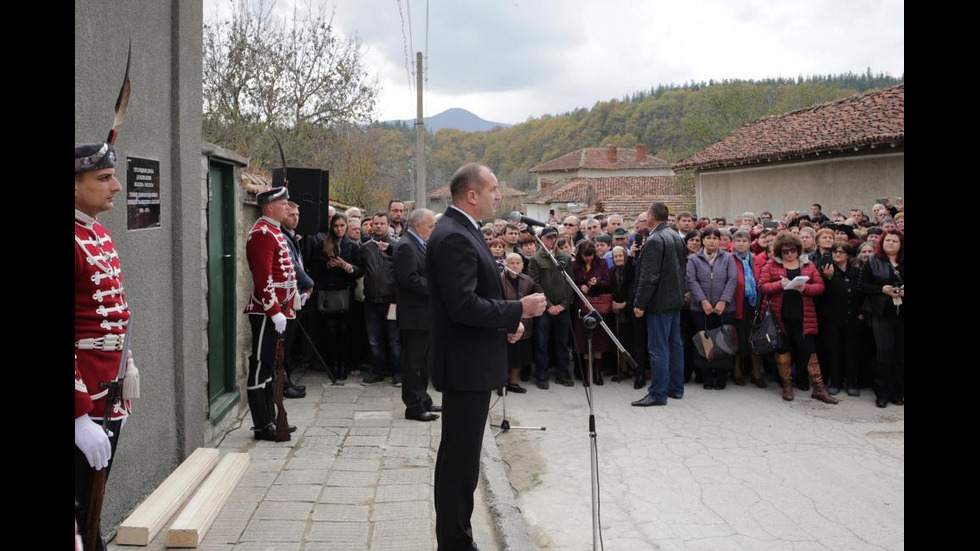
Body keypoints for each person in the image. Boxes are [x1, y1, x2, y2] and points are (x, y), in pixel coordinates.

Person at [428, 163, 545, 551]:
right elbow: (462, 305)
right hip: (465, 366)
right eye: (494, 189)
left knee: (458, 459)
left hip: (471, 360)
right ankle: (455, 543)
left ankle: (455, 538)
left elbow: (477, 295)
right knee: (459, 466)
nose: (500, 196)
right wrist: (518, 310)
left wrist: (502, 324)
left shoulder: (464, 230)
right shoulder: (453, 236)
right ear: (472, 195)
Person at [75, 141, 136, 551]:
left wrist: (126, 367)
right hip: (83, 399)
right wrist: (77, 415)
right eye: (103, 178)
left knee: (91, 507)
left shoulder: (97, 234)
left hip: (107, 392)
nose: (115, 186)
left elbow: (115, 314)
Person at [244, 186, 300, 438]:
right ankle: (261, 423)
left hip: (280, 309)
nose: (287, 207)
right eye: (283, 203)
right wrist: (274, 310)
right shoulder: (262, 233)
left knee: (269, 364)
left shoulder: (275, 231)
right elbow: (263, 277)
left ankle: (270, 419)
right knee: (260, 363)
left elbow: (285, 273)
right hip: (268, 311)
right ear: (269, 207)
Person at [759, 232, 837, 404]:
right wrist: (779, 284)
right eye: (785, 251)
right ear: (779, 251)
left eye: (793, 250)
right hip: (780, 317)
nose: (790, 254)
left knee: (810, 353)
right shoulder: (771, 265)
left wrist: (804, 289)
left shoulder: (808, 265)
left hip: (804, 317)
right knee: (783, 352)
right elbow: (762, 286)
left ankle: (819, 388)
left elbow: (820, 287)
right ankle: (787, 386)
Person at [631, 202, 688, 406]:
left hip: (660, 302)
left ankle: (658, 393)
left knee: (658, 348)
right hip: (674, 300)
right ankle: (675, 388)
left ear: (652, 217)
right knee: (674, 345)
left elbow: (649, 277)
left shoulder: (655, 239)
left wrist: (640, 303)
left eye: (647, 214)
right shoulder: (675, 235)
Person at [393, 208, 440, 421]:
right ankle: (413, 406)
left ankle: (424, 400)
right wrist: (437, 286)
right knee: (413, 362)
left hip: (425, 314)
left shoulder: (420, 244)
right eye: (430, 226)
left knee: (423, 361)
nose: (432, 229)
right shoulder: (406, 246)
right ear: (416, 225)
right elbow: (409, 279)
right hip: (415, 315)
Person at [685, 227, 738, 389]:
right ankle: (707, 376)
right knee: (706, 342)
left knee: (723, 341)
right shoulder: (694, 259)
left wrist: (723, 301)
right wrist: (703, 301)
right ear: (703, 240)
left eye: (715, 238)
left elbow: (732, 279)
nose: (712, 241)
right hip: (701, 309)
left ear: (719, 240)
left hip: (725, 309)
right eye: (708, 238)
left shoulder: (728, 258)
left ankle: (722, 376)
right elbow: (691, 280)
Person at [312, 213, 361, 380]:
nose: (339, 229)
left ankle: (343, 364)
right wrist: (329, 265)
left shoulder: (352, 246)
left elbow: (359, 270)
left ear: (346, 226)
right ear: (331, 227)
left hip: (345, 292)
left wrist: (347, 267)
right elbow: (314, 269)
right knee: (330, 331)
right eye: (336, 226)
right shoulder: (323, 244)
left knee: (345, 330)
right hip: (328, 292)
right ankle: (333, 364)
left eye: (342, 226)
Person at [859, 230, 905, 408]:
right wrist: (881, 290)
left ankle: (897, 392)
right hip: (881, 313)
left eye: (895, 241)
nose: (891, 243)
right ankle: (882, 393)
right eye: (888, 240)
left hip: (902, 314)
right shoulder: (872, 261)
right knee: (884, 352)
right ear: (882, 242)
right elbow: (862, 285)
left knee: (900, 354)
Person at [357, 212, 402, 386]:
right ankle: (377, 372)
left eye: (381, 223)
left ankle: (398, 373)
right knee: (374, 340)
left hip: (391, 301)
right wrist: (348, 268)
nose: (377, 226)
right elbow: (360, 270)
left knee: (394, 340)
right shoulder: (366, 246)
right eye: (375, 223)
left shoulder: (397, 246)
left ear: (388, 225)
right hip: (371, 301)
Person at [529, 226, 575, 389]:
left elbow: (570, 284)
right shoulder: (535, 260)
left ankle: (562, 374)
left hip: (562, 308)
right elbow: (535, 284)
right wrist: (548, 305)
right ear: (541, 240)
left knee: (562, 343)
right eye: (549, 237)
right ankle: (542, 375)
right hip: (544, 308)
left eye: (554, 237)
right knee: (542, 342)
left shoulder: (565, 258)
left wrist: (562, 304)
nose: (552, 240)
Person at [815, 243, 863, 396]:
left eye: (841, 252)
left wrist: (861, 313)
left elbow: (862, 294)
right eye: (834, 251)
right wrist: (827, 279)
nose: (837, 254)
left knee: (851, 351)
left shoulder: (857, 272)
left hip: (852, 319)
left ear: (848, 255)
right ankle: (835, 381)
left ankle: (851, 382)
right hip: (831, 320)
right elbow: (819, 294)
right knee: (833, 351)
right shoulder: (826, 271)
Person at [280, 202, 315, 398]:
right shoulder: (282, 237)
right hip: (287, 296)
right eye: (292, 214)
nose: (296, 218)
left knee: (290, 342)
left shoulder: (292, 237)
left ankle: (287, 381)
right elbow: (293, 266)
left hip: (296, 294)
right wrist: (310, 283)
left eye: (297, 214)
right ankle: (284, 383)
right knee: (285, 343)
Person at [572, 240, 612, 386]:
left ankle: (597, 372)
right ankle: (587, 372)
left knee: (598, 340)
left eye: (590, 255)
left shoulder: (601, 263)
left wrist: (598, 282)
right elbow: (571, 282)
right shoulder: (575, 265)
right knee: (584, 340)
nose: (588, 258)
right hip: (582, 306)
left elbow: (608, 282)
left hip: (597, 306)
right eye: (585, 255)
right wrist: (580, 286)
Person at [732, 230, 766, 387]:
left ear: (749, 243)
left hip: (754, 303)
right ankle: (737, 371)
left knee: (755, 338)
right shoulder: (729, 258)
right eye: (738, 240)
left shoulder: (755, 259)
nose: (741, 243)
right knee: (738, 338)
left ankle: (756, 373)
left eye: (744, 241)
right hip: (737, 303)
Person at [501, 253, 535, 394]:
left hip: (524, 323)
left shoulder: (528, 280)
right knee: (504, 356)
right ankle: (500, 382)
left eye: (518, 263)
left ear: (522, 265)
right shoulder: (499, 279)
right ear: (506, 264)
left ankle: (513, 382)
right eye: (511, 263)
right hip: (505, 322)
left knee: (519, 356)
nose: (515, 266)